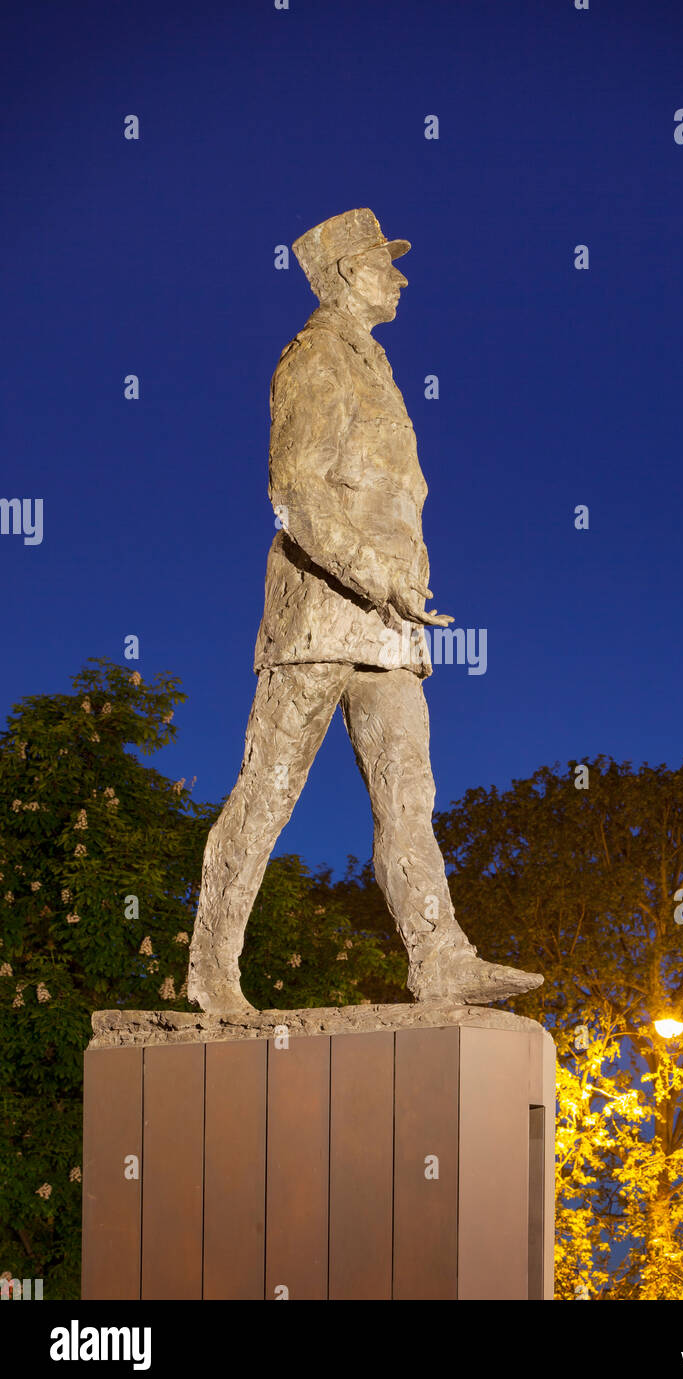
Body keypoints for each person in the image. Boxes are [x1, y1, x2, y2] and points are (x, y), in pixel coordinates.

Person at [186, 208, 543, 1013]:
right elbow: (297, 489)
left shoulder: (370, 362)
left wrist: (399, 590)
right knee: (270, 788)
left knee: (408, 793)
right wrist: (374, 572)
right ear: (348, 274)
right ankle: (211, 966)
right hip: (320, 611)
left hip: (389, 624)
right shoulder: (315, 357)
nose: (401, 277)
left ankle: (441, 960)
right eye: (387, 264)